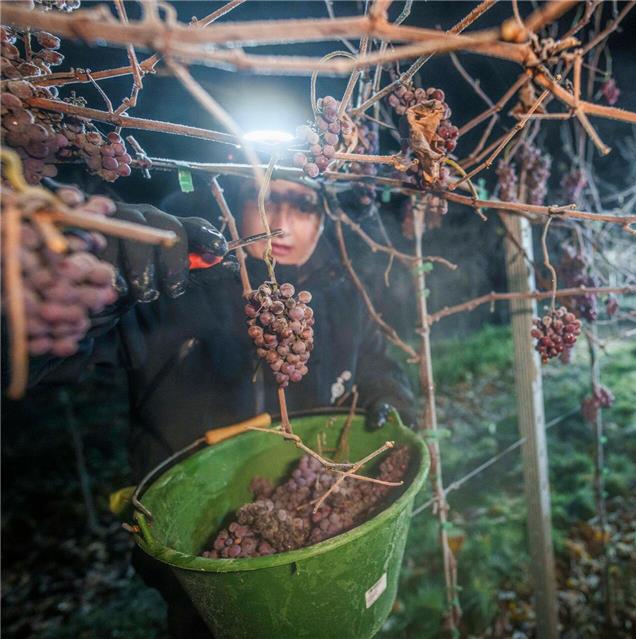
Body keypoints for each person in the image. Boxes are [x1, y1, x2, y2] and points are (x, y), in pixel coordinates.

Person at [17, 176, 416, 637]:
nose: (279, 222)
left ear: (324, 220)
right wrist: (91, 290)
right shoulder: (173, 292)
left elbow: (375, 361)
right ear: (234, 205)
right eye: (264, 199)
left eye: (302, 205)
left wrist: (389, 393)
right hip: (202, 579)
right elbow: (45, 358)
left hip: (331, 563)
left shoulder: (343, 292)